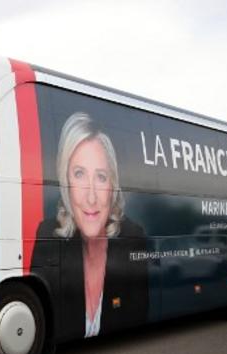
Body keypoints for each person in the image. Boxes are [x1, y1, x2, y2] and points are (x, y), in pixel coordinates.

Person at [31, 112, 148, 340]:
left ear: (113, 185)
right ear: (65, 180)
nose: (92, 197)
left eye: (101, 177)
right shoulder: (48, 236)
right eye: (79, 174)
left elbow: (137, 318)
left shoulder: (133, 239)